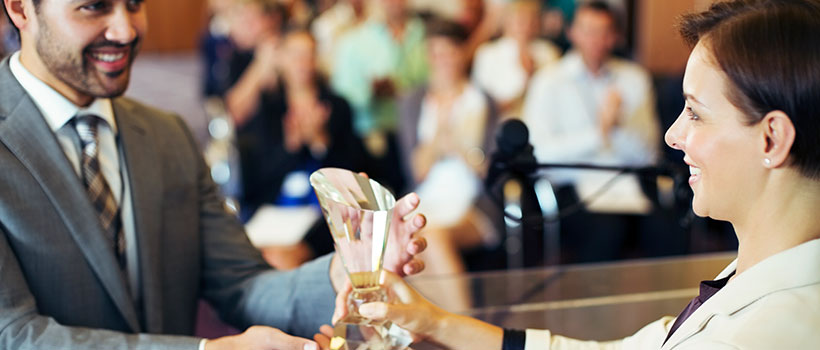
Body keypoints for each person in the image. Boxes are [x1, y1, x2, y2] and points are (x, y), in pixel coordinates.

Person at [319, 0, 820, 348]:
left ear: (771, 140)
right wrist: (436, 322)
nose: (673, 135)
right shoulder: (760, 279)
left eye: (694, 112)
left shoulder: (755, 334)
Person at [0, 1, 428, 350]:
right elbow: (13, 334)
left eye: (134, 5)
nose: (126, 30)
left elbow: (243, 285)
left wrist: (345, 273)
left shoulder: (166, 135)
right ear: (20, 9)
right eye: (94, 8)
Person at [521, 0, 660, 262]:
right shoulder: (549, 80)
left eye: (605, 31)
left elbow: (649, 153)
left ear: (615, 36)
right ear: (572, 32)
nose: (597, 39)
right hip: (573, 184)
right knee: (606, 232)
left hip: (627, 180)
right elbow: (539, 153)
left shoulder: (634, 78)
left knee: (668, 226)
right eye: (588, 30)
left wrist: (616, 128)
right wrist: (598, 134)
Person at [237, 30, 379, 269]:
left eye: (308, 55)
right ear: (282, 60)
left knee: (280, 259)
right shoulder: (269, 108)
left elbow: (356, 172)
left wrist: (320, 143)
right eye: (295, 56)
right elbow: (256, 178)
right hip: (276, 210)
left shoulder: (336, 105)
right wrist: (291, 148)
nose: (302, 64)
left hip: (322, 214)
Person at [396, 18, 499, 309]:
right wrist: (438, 132)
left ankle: (464, 328)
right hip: (425, 200)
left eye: (449, 52)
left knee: (432, 237)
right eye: (435, 53)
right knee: (410, 244)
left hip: (472, 205)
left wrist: (457, 142)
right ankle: (456, 329)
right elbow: (416, 170)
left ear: (463, 53)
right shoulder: (413, 102)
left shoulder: (482, 101)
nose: (442, 61)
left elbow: (486, 171)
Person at [472, 0, 560, 118]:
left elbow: (553, 93)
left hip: (540, 119)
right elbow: (481, 99)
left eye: (531, 20)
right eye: (521, 20)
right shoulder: (488, 53)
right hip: (500, 122)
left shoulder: (548, 52)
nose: (526, 26)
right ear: (507, 21)